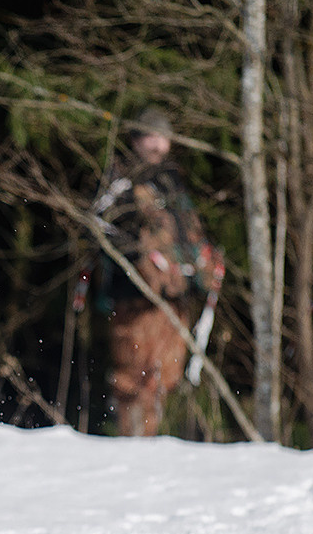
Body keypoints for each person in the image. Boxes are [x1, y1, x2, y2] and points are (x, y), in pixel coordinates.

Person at [81, 107, 223, 437]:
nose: (160, 145)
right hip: (135, 301)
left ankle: (152, 445)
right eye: (152, 137)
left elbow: (188, 234)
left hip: (174, 299)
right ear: (136, 139)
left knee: (164, 379)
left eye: (165, 138)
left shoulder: (171, 181)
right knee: (133, 379)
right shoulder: (121, 180)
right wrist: (137, 258)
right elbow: (98, 227)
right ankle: (134, 447)